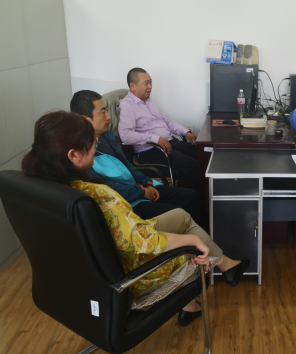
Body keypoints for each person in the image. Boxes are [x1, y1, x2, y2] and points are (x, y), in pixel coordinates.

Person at [22, 111, 249, 328]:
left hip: (96, 268)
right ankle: (208, 283)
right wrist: (192, 241)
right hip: (133, 273)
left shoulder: (48, 188)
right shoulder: (100, 195)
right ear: (74, 155)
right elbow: (141, 241)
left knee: (181, 216)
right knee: (193, 245)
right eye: (92, 144)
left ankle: (221, 270)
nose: (95, 147)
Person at [71, 90, 200, 221]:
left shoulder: (107, 137)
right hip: (126, 202)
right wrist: (142, 192)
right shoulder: (81, 155)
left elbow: (127, 165)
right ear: (84, 119)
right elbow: (106, 188)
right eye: (103, 112)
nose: (109, 117)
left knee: (191, 196)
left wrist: (146, 183)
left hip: (138, 188)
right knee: (179, 213)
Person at [119, 68, 199, 190]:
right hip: (150, 150)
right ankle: (183, 197)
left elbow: (166, 121)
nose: (150, 87)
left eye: (151, 82)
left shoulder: (148, 101)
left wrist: (185, 132)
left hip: (168, 142)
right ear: (132, 85)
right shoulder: (127, 105)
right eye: (146, 83)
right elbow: (125, 135)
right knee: (193, 166)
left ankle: (200, 192)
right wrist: (156, 139)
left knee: (201, 153)